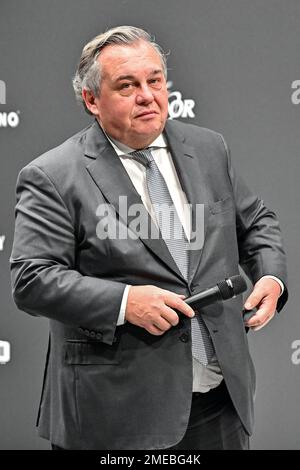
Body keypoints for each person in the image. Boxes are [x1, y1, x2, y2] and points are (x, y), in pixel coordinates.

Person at [10, 26, 288, 450]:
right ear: (91, 100)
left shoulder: (209, 148)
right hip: (115, 413)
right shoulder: (52, 175)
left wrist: (271, 277)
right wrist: (125, 303)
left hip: (220, 404)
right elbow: (32, 279)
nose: (147, 95)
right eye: (127, 85)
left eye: (155, 80)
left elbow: (255, 221)